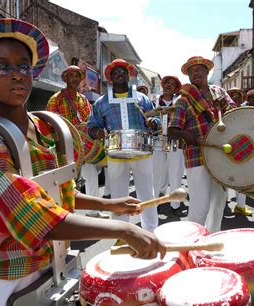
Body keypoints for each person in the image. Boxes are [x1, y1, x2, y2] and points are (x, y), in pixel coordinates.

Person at [0, 18, 166, 306]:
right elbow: (28, 210)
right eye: (2, 67)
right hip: (7, 264)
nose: (17, 75)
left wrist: (112, 203)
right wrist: (124, 230)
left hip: (47, 254)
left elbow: (51, 193)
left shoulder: (42, 127)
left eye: (23, 66)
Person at [87, 59, 160, 232]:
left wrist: (154, 123)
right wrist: (98, 132)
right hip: (115, 155)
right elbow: (92, 126)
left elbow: (156, 119)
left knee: (146, 194)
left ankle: (150, 231)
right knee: (119, 196)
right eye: (115, 72)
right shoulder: (101, 102)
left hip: (142, 153)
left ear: (129, 76)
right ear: (110, 77)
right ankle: (122, 232)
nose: (120, 74)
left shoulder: (142, 98)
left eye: (123, 71)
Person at [168, 56, 235, 232]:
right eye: (191, 71)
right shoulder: (183, 100)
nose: (196, 72)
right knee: (200, 207)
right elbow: (172, 131)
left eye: (199, 69)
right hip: (197, 157)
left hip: (221, 156)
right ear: (188, 76)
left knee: (219, 203)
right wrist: (187, 136)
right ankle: (194, 246)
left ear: (207, 71)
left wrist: (225, 108)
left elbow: (236, 116)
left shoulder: (220, 93)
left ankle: (212, 241)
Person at [46, 65, 109, 219]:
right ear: (65, 78)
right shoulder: (56, 99)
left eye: (77, 75)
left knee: (92, 177)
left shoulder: (83, 99)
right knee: (65, 182)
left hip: (84, 147)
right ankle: (63, 215)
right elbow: (49, 124)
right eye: (71, 75)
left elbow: (90, 122)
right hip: (65, 147)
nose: (74, 78)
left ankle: (93, 212)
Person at [152, 75, 185, 216]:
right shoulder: (153, 101)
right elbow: (146, 117)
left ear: (176, 88)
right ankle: (156, 202)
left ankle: (175, 205)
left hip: (175, 141)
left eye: (172, 83)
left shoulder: (181, 102)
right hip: (157, 141)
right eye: (167, 82)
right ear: (162, 85)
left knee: (175, 173)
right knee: (157, 173)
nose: (169, 85)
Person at [225, 87, 252, 216]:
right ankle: (223, 202)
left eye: (238, 95)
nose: (235, 97)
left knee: (242, 179)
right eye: (232, 95)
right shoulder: (223, 111)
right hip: (225, 148)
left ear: (243, 98)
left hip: (243, 149)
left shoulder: (248, 111)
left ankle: (240, 207)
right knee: (223, 177)